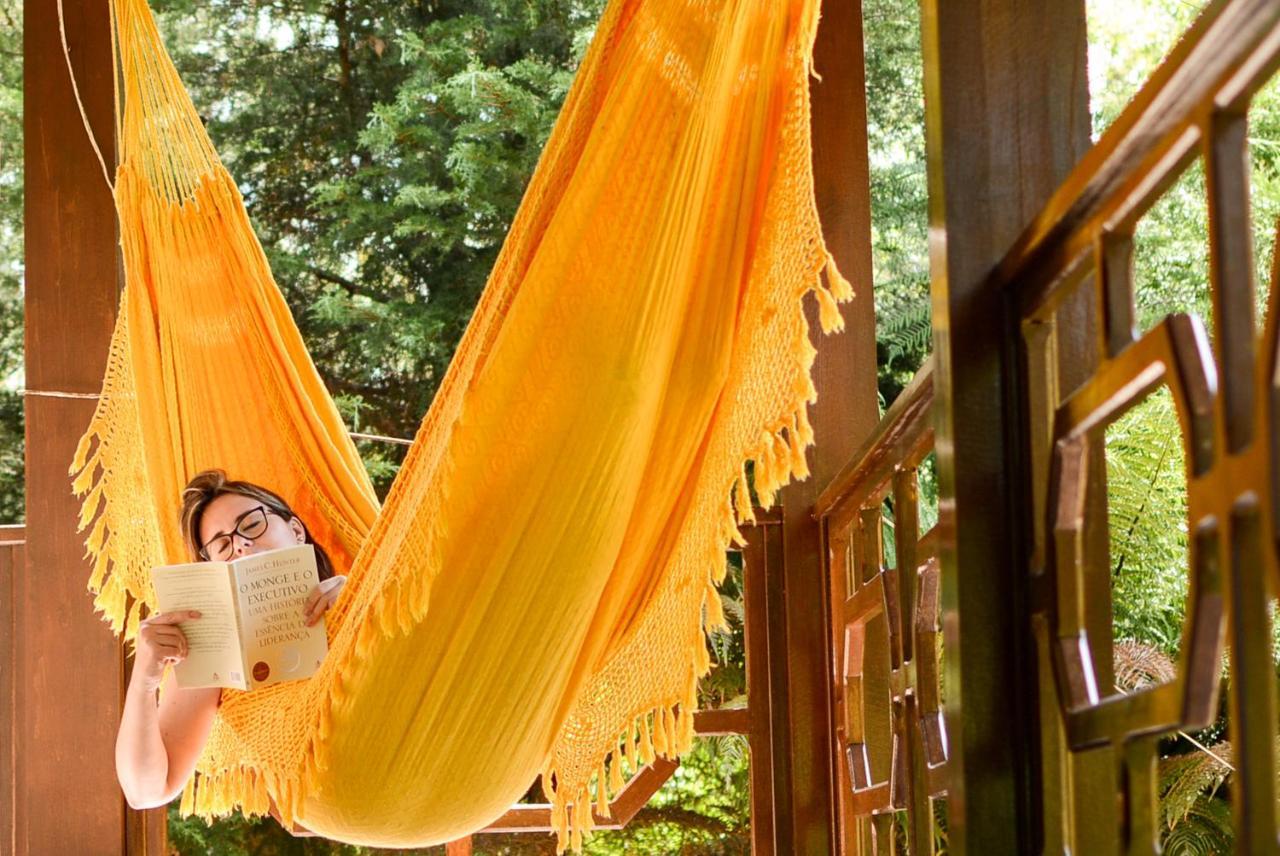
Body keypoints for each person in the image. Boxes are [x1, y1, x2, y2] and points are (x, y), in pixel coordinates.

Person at [114, 469, 347, 810]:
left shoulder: (360, 591)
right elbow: (145, 792)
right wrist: (144, 681)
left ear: (296, 531)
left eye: (251, 525)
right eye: (221, 545)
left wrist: (361, 602)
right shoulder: (213, 654)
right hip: (326, 798)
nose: (240, 543)